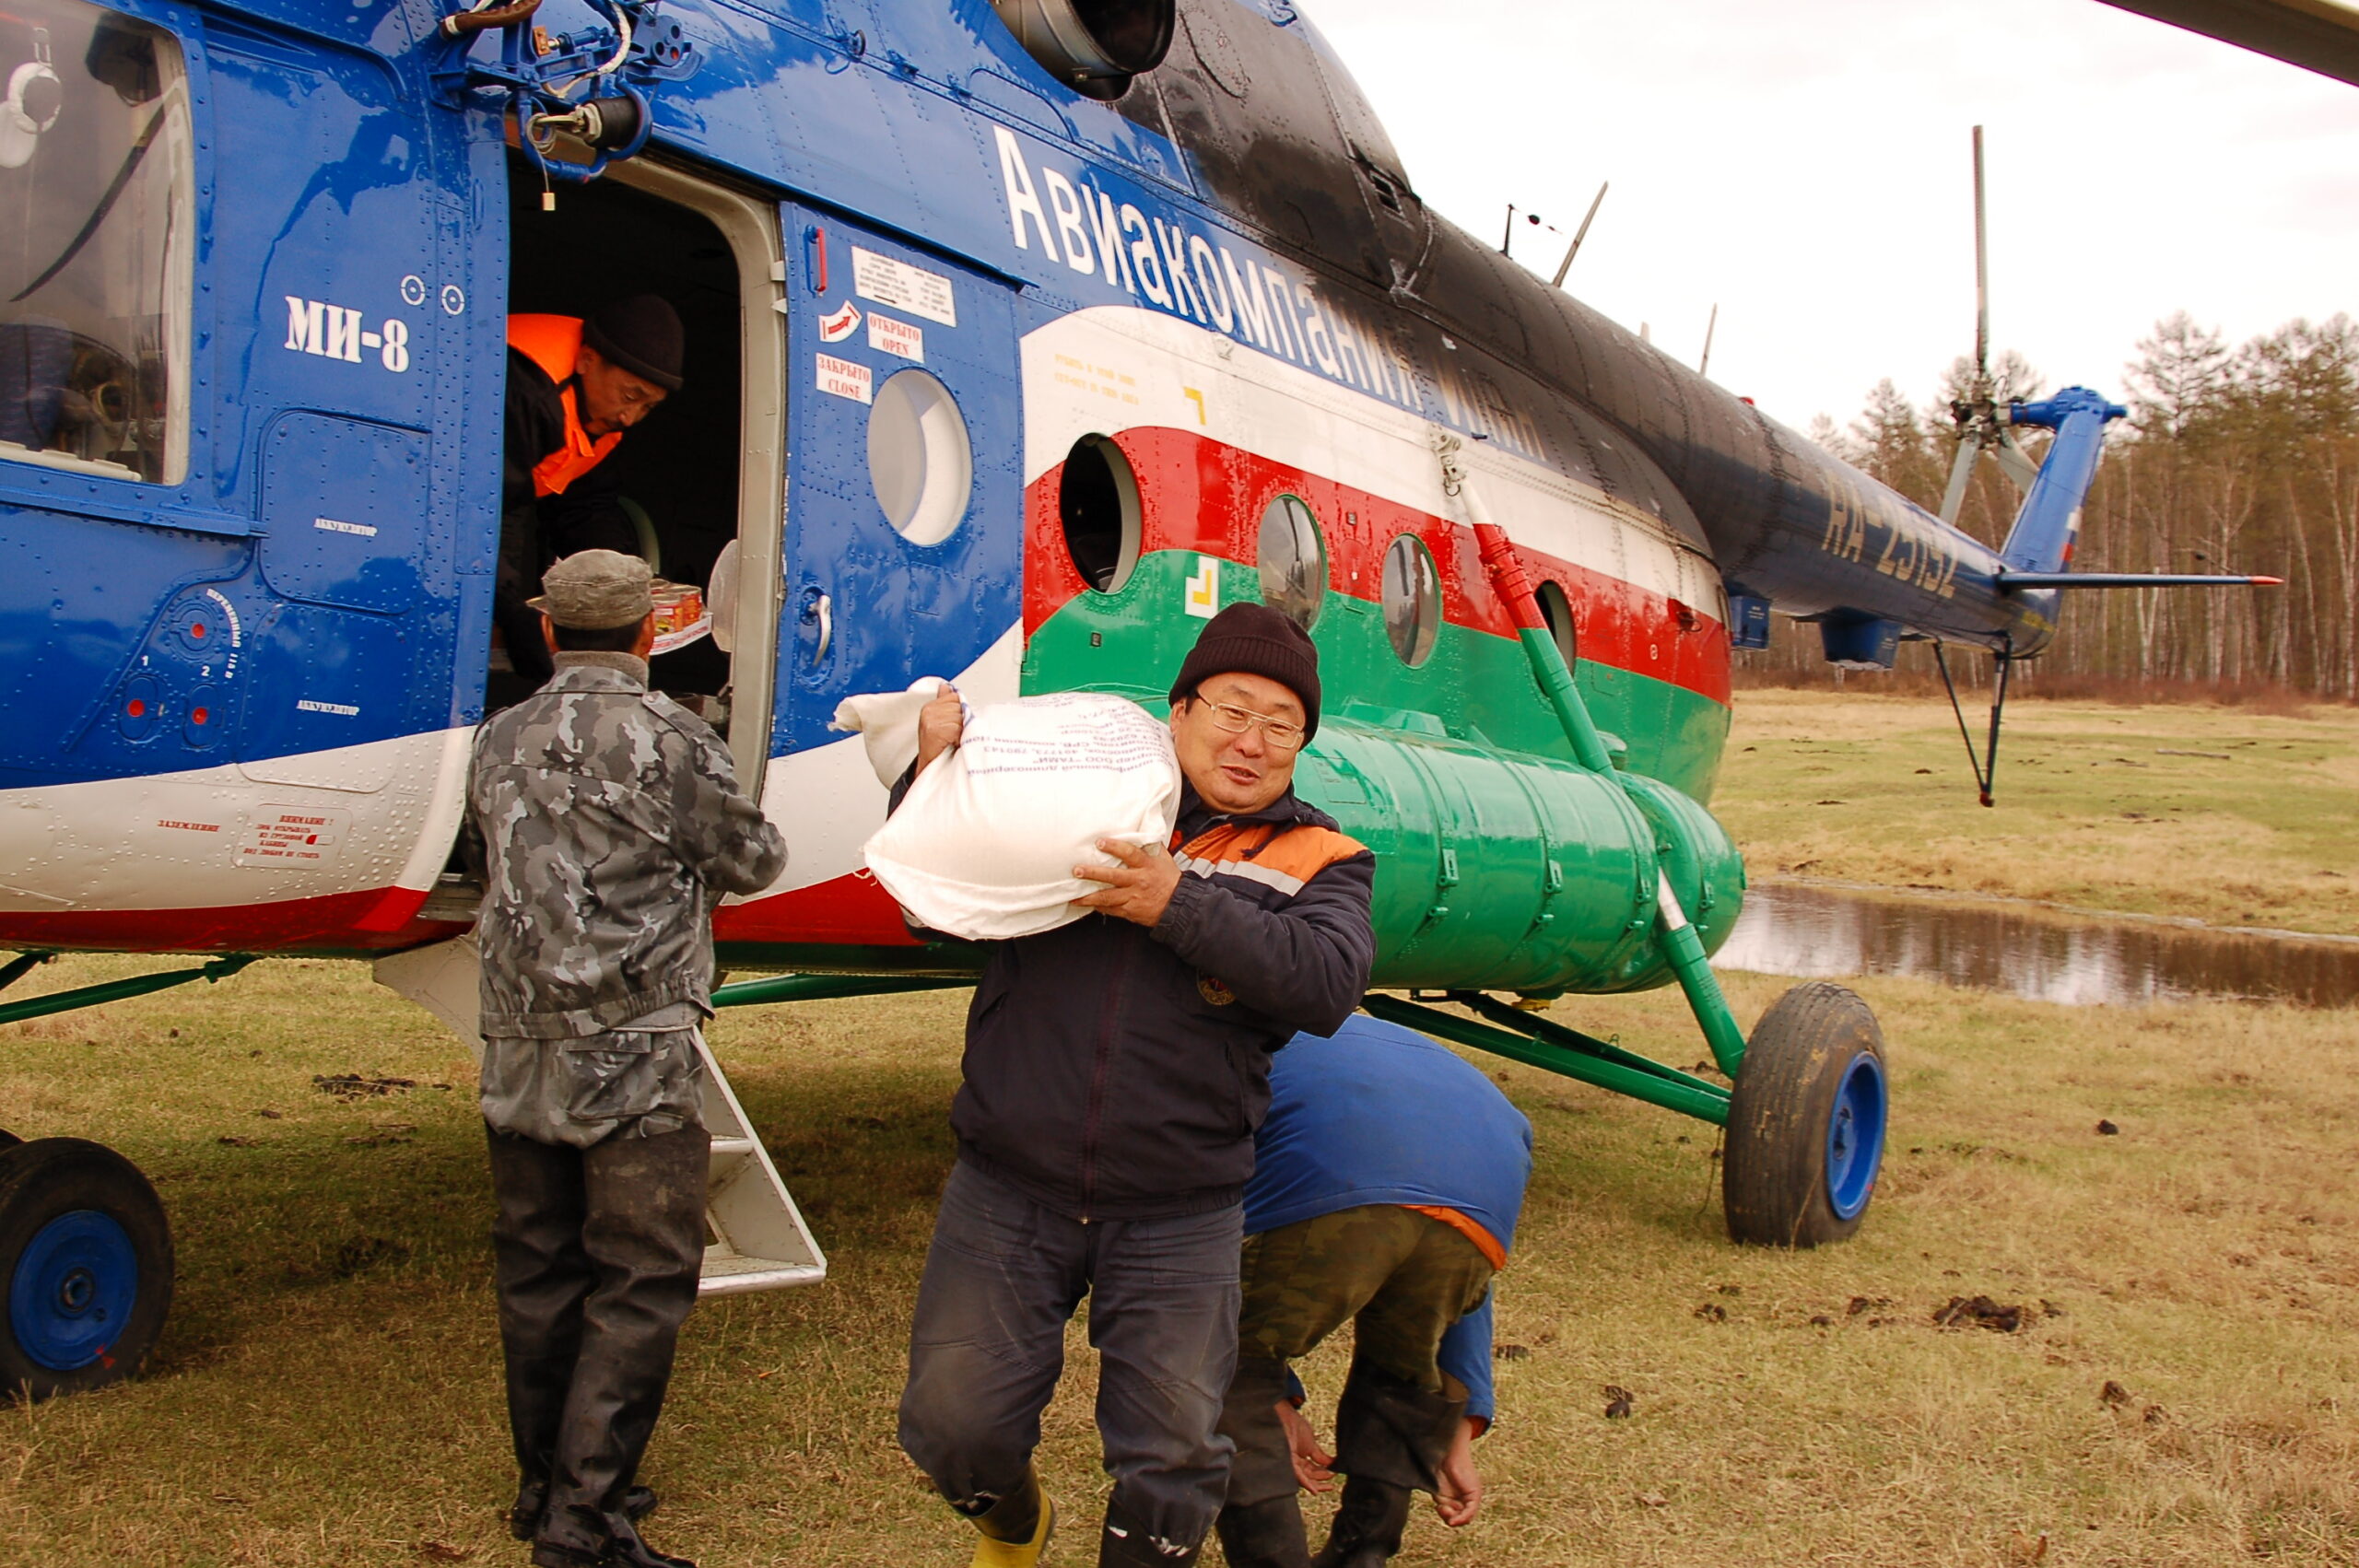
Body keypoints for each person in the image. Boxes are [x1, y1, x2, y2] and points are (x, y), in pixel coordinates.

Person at [894, 603, 1379, 1568]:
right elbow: (930, 909)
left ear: (1302, 744)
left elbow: (1326, 984)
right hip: (1008, 1185)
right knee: (954, 1429)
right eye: (1230, 708)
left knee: (1170, 1466)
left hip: (1179, 1208)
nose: (1250, 740)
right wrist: (928, 772)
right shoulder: (1076, 799)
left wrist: (1176, 900)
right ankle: (1014, 1525)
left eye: (1281, 723)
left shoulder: (1317, 857)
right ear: (1178, 711)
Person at [468, 549, 787, 1568]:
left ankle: (544, 1484)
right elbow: (753, 860)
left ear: (553, 632)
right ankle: (586, 1521)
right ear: (649, 633)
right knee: (642, 1275)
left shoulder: (496, 735)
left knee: (540, 1265)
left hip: (517, 1040)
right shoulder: (673, 739)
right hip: (634, 1048)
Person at [1213, 1012, 1533, 1568]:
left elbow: (1200, 1229)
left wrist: (1264, 1392)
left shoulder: (1225, 1038)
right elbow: (1458, 1300)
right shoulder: (1388, 1042)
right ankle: (1363, 1555)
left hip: (1343, 1169)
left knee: (1221, 1374)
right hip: (1487, 1183)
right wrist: (1458, 1418)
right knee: (1402, 1370)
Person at [497, 296, 684, 688]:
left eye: (648, 408)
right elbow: (492, 510)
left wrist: (629, 584)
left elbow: (585, 507)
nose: (630, 418)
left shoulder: (605, 418)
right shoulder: (526, 391)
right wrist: (514, 616)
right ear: (586, 361)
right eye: (630, 396)